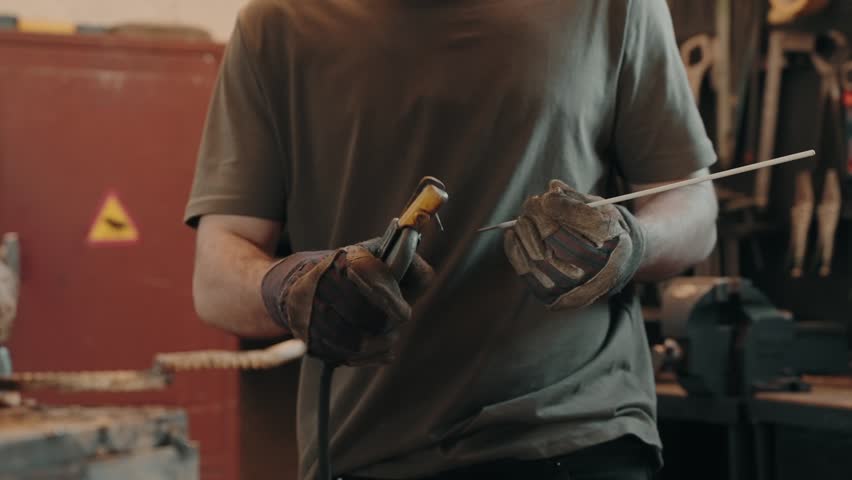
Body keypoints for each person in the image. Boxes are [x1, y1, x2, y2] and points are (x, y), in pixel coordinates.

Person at [184, 0, 718, 479]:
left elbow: (694, 208)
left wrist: (633, 243)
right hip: (369, 449)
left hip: (574, 434)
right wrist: (287, 286)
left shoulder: (613, 6)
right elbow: (215, 278)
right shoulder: (277, 24)